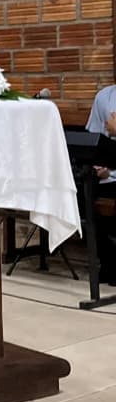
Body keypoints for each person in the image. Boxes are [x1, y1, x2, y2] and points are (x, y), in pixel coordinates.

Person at [86, 86, 116, 283]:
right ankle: (108, 261)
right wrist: (98, 168)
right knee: (83, 195)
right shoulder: (105, 96)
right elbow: (93, 139)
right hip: (105, 173)